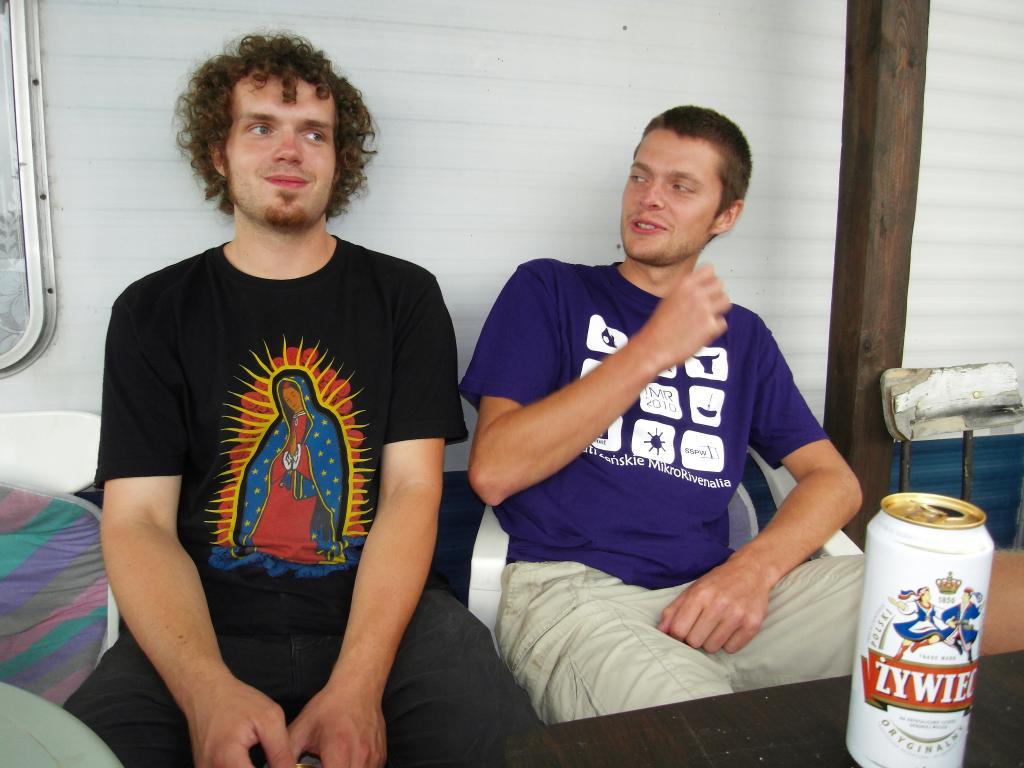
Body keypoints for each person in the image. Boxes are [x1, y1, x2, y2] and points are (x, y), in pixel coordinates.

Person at [65, 33, 537, 767]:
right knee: (78, 754)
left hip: (386, 620)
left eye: (314, 133)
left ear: (338, 160)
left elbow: (411, 492)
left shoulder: (403, 298)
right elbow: (139, 520)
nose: (290, 150)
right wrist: (204, 690)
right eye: (261, 127)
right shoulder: (153, 310)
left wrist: (359, 684)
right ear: (218, 153)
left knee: (509, 749)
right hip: (202, 626)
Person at [460, 104, 868, 724]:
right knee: (706, 737)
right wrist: (650, 350)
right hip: (580, 595)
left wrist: (753, 571)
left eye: (681, 186)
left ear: (725, 216)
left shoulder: (743, 336)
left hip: (719, 592)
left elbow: (835, 481)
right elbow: (493, 471)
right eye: (640, 176)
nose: (649, 198)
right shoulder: (550, 290)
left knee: (960, 599)